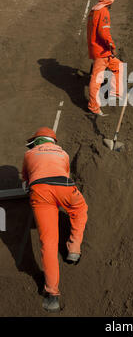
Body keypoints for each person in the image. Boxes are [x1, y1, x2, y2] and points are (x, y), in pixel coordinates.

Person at [22, 127, 88, 312]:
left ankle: (52, 296)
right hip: (64, 187)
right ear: (53, 142)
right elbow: (65, 174)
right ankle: (74, 249)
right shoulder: (63, 153)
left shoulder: (29, 154)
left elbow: (26, 181)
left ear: (36, 141)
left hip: (40, 193)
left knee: (48, 243)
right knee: (80, 209)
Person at [87, 0, 124, 115]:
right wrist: (111, 45)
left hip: (98, 49)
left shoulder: (94, 9)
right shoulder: (103, 11)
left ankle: (115, 93)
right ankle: (93, 106)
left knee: (119, 66)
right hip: (102, 51)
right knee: (96, 79)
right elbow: (103, 33)